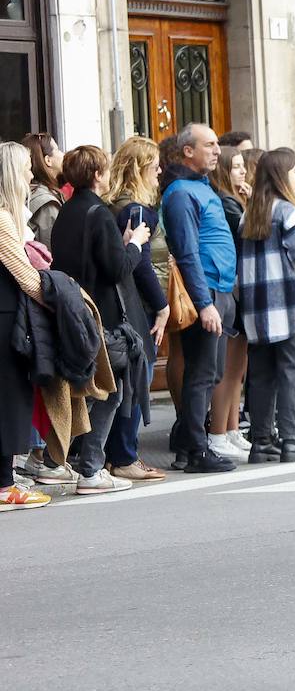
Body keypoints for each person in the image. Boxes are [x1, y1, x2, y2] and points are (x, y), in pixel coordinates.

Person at [49, 145, 150, 495]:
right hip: (103, 319)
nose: (107, 176)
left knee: (83, 392)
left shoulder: (67, 212)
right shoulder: (100, 213)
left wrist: (119, 245)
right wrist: (135, 244)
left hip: (74, 314)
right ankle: (89, 469)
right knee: (108, 392)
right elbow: (118, 269)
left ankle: (57, 462)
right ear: (96, 175)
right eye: (104, 170)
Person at [239, 148, 295, 464]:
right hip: (290, 303)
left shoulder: (251, 213)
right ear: (280, 176)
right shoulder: (288, 212)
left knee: (262, 374)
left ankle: (262, 441)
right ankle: (292, 440)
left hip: (257, 308)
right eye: (291, 171)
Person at [163, 124, 239, 472]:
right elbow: (187, 251)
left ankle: (188, 441)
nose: (217, 150)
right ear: (187, 152)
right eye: (208, 145)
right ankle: (196, 449)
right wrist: (204, 303)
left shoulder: (202, 187)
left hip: (219, 288)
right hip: (205, 291)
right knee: (201, 373)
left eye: (216, 144)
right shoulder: (181, 193)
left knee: (211, 372)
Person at [102, 137, 170, 483]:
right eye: (154, 165)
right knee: (135, 381)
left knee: (121, 383)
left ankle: (117, 455)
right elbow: (142, 265)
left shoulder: (112, 205)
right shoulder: (138, 210)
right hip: (137, 307)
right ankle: (125, 457)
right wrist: (162, 306)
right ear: (140, 168)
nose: (160, 171)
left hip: (117, 305)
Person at [0, 142, 52, 511]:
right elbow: (27, 277)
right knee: (8, 401)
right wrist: (61, 303)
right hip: (4, 323)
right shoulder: (3, 220)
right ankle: (4, 485)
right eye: (25, 169)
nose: (31, 175)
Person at [202, 145, 251, 462]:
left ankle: (231, 428)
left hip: (239, 287)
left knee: (237, 368)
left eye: (243, 166)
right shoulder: (227, 202)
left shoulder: (236, 199)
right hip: (229, 286)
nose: (242, 172)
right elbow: (248, 232)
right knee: (228, 368)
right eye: (235, 167)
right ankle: (218, 431)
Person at [21, 132, 64, 249]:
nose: (62, 154)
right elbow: (51, 251)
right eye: (58, 150)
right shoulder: (46, 204)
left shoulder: (25, 192)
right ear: (48, 160)